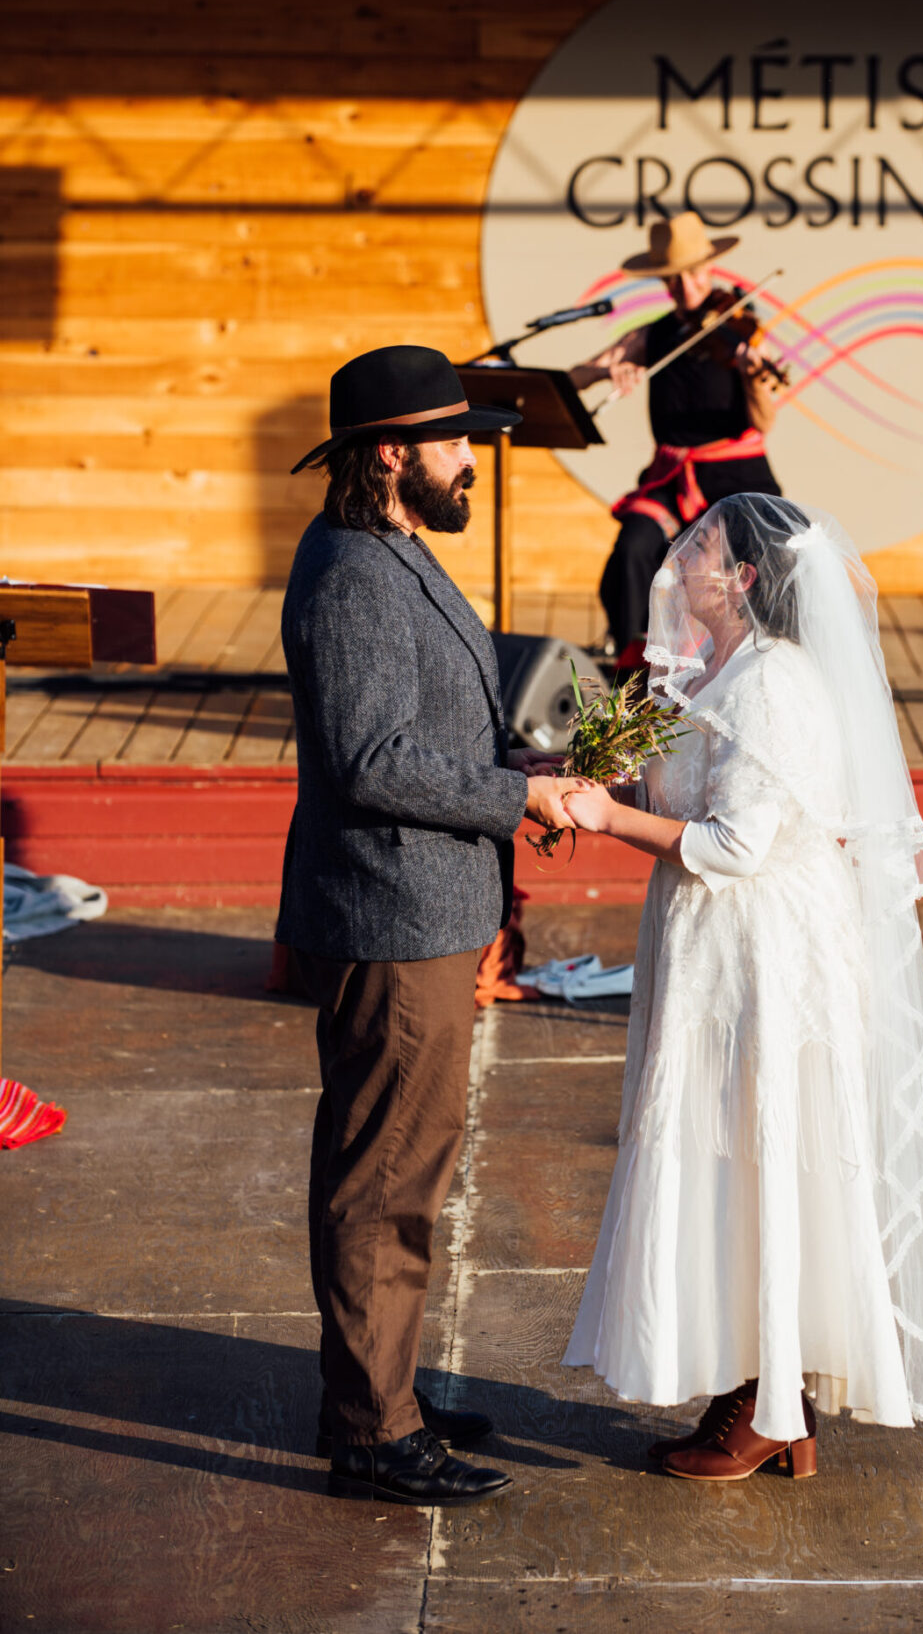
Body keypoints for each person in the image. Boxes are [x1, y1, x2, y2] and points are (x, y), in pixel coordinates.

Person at [562, 494, 923, 1479]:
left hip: (765, 960)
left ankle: (776, 1403)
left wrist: (605, 821)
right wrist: (600, 782)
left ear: (744, 578)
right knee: (734, 1159)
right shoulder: (717, 670)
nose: (680, 558)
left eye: (701, 546)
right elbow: (689, 792)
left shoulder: (775, 684)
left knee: (767, 1153)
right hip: (716, 949)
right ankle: (761, 1382)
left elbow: (739, 841)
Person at [279, 344, 580, 1506]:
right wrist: (520, 796)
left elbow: (422, 732)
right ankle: (370, 1427)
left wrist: (516, 764)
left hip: (430, 905)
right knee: (384, 1179)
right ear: (392, 454)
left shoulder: (395, 548)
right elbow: (370, 760)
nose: (474, 462)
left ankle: (383, 1389)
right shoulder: (354, 570)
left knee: (409, 1166)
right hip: (391, 913)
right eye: (457, 442)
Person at [569, 211, 785, 663]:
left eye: (693, 273)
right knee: (633, 545)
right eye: (673, 279)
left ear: (711, 268)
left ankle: (748, 657)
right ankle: (633, 663)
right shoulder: (656, 333)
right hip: (672, 477)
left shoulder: (741, 329)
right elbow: (575, 377)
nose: (685, 287)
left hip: (736, 477)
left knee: (755, 557)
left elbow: (764, 423)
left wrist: (752, 377)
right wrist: (609, 370)